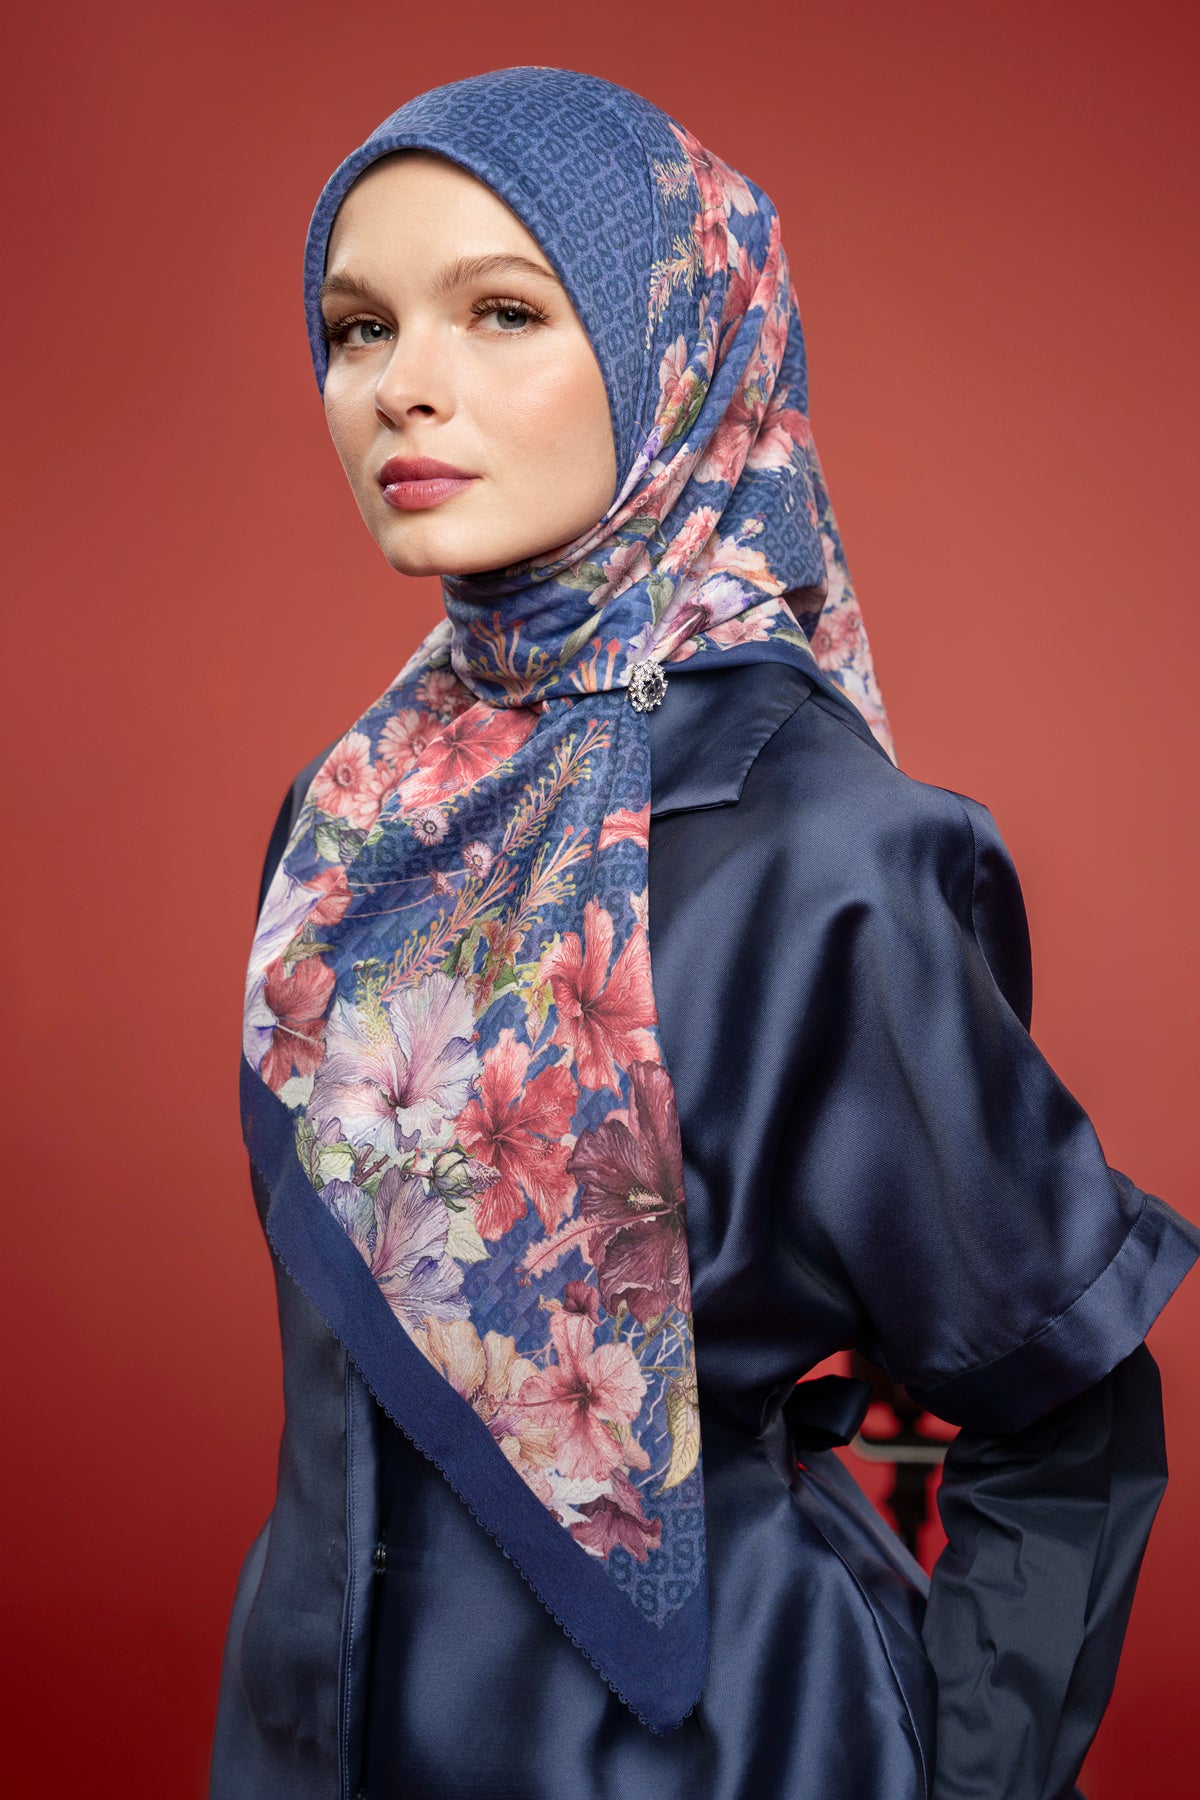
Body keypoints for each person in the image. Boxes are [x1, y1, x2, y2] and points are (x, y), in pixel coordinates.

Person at [211, 66, 1200, 1800]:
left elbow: (1059, 1409)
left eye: (502, 311)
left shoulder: (832, 851)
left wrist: (963, 1778)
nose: (400, 385)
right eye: (358, 329)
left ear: (682, 344)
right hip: (317, 1732)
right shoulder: (351, 818)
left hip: (711, 1746)